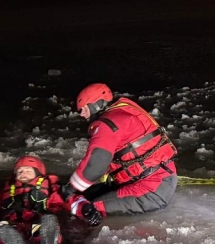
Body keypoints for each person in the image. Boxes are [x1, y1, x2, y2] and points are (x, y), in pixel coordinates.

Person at [60, 83, 178, 217]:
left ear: (96, 105)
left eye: (84, 109)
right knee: (83, 196)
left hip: (152, 189)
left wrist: (70, 188)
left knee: (85, 209)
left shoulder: (107, 124)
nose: (82, 114)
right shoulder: (121, 113)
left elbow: (96, 164)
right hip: (157, 180)